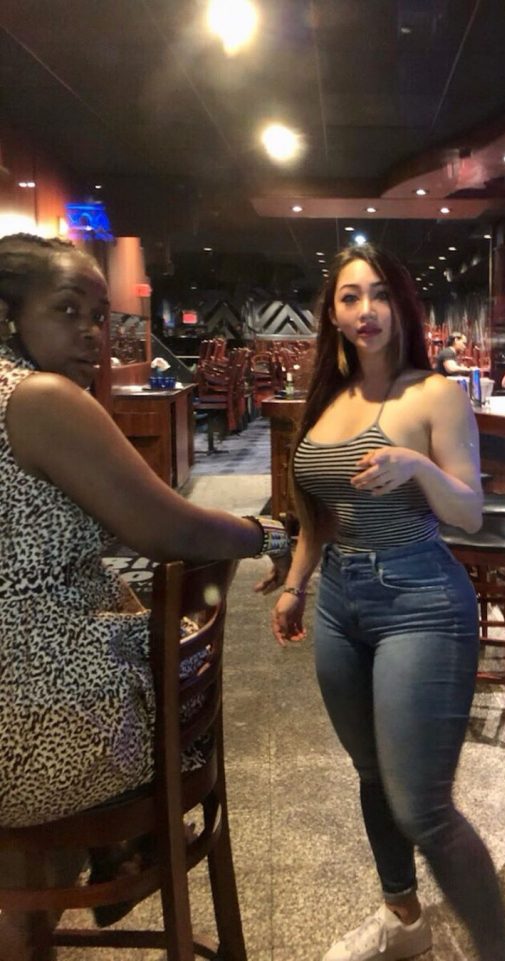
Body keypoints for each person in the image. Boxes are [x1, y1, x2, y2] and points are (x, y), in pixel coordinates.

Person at [0, 233, 289, 960]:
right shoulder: (39, 397)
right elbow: (167, 528)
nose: (92, 334)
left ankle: (63, 886)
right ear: (9, 315)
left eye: (100, 317)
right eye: (68, 310)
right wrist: (269, 534)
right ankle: (116, 846)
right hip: (34, 721)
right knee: (172, 668)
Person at [269, 243, 505, 961]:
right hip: (338, 600)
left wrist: (416, 465)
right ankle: (403, 919)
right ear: (333, 314)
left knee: (422, 807)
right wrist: (294, 584)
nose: (366, 309)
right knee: (372, 774)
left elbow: (469, 511)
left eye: (379, 293)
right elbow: (318, 512)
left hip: (419, 598)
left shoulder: (433, 394)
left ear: (400, 305)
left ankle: (502, 953)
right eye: (350, 297)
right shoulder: (327, 397)